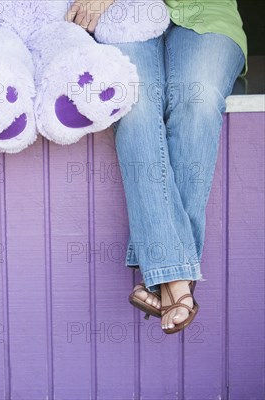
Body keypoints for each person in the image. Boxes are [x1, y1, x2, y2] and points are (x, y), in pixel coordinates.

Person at [67, 0, 247, 333]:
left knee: (199, 101)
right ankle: (175, 277)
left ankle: (165, 272)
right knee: (131, 102)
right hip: (125, 15)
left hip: (206, 14)